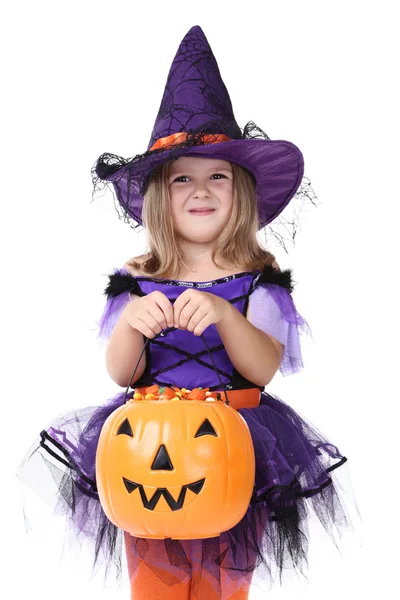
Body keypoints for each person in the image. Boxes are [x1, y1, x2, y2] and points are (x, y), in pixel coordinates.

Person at [16, 25, 360, 600]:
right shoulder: (137, 279)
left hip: (231, 450)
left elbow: (262, 368)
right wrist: (132, 323)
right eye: (183, 179)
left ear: (241, 191)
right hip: (146, 452)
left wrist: (227, 319)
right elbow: (121, 373)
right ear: (160, 196)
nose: (200, 191)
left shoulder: (260, 281)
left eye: (217, 177)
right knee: (156, 581)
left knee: (225, 582)